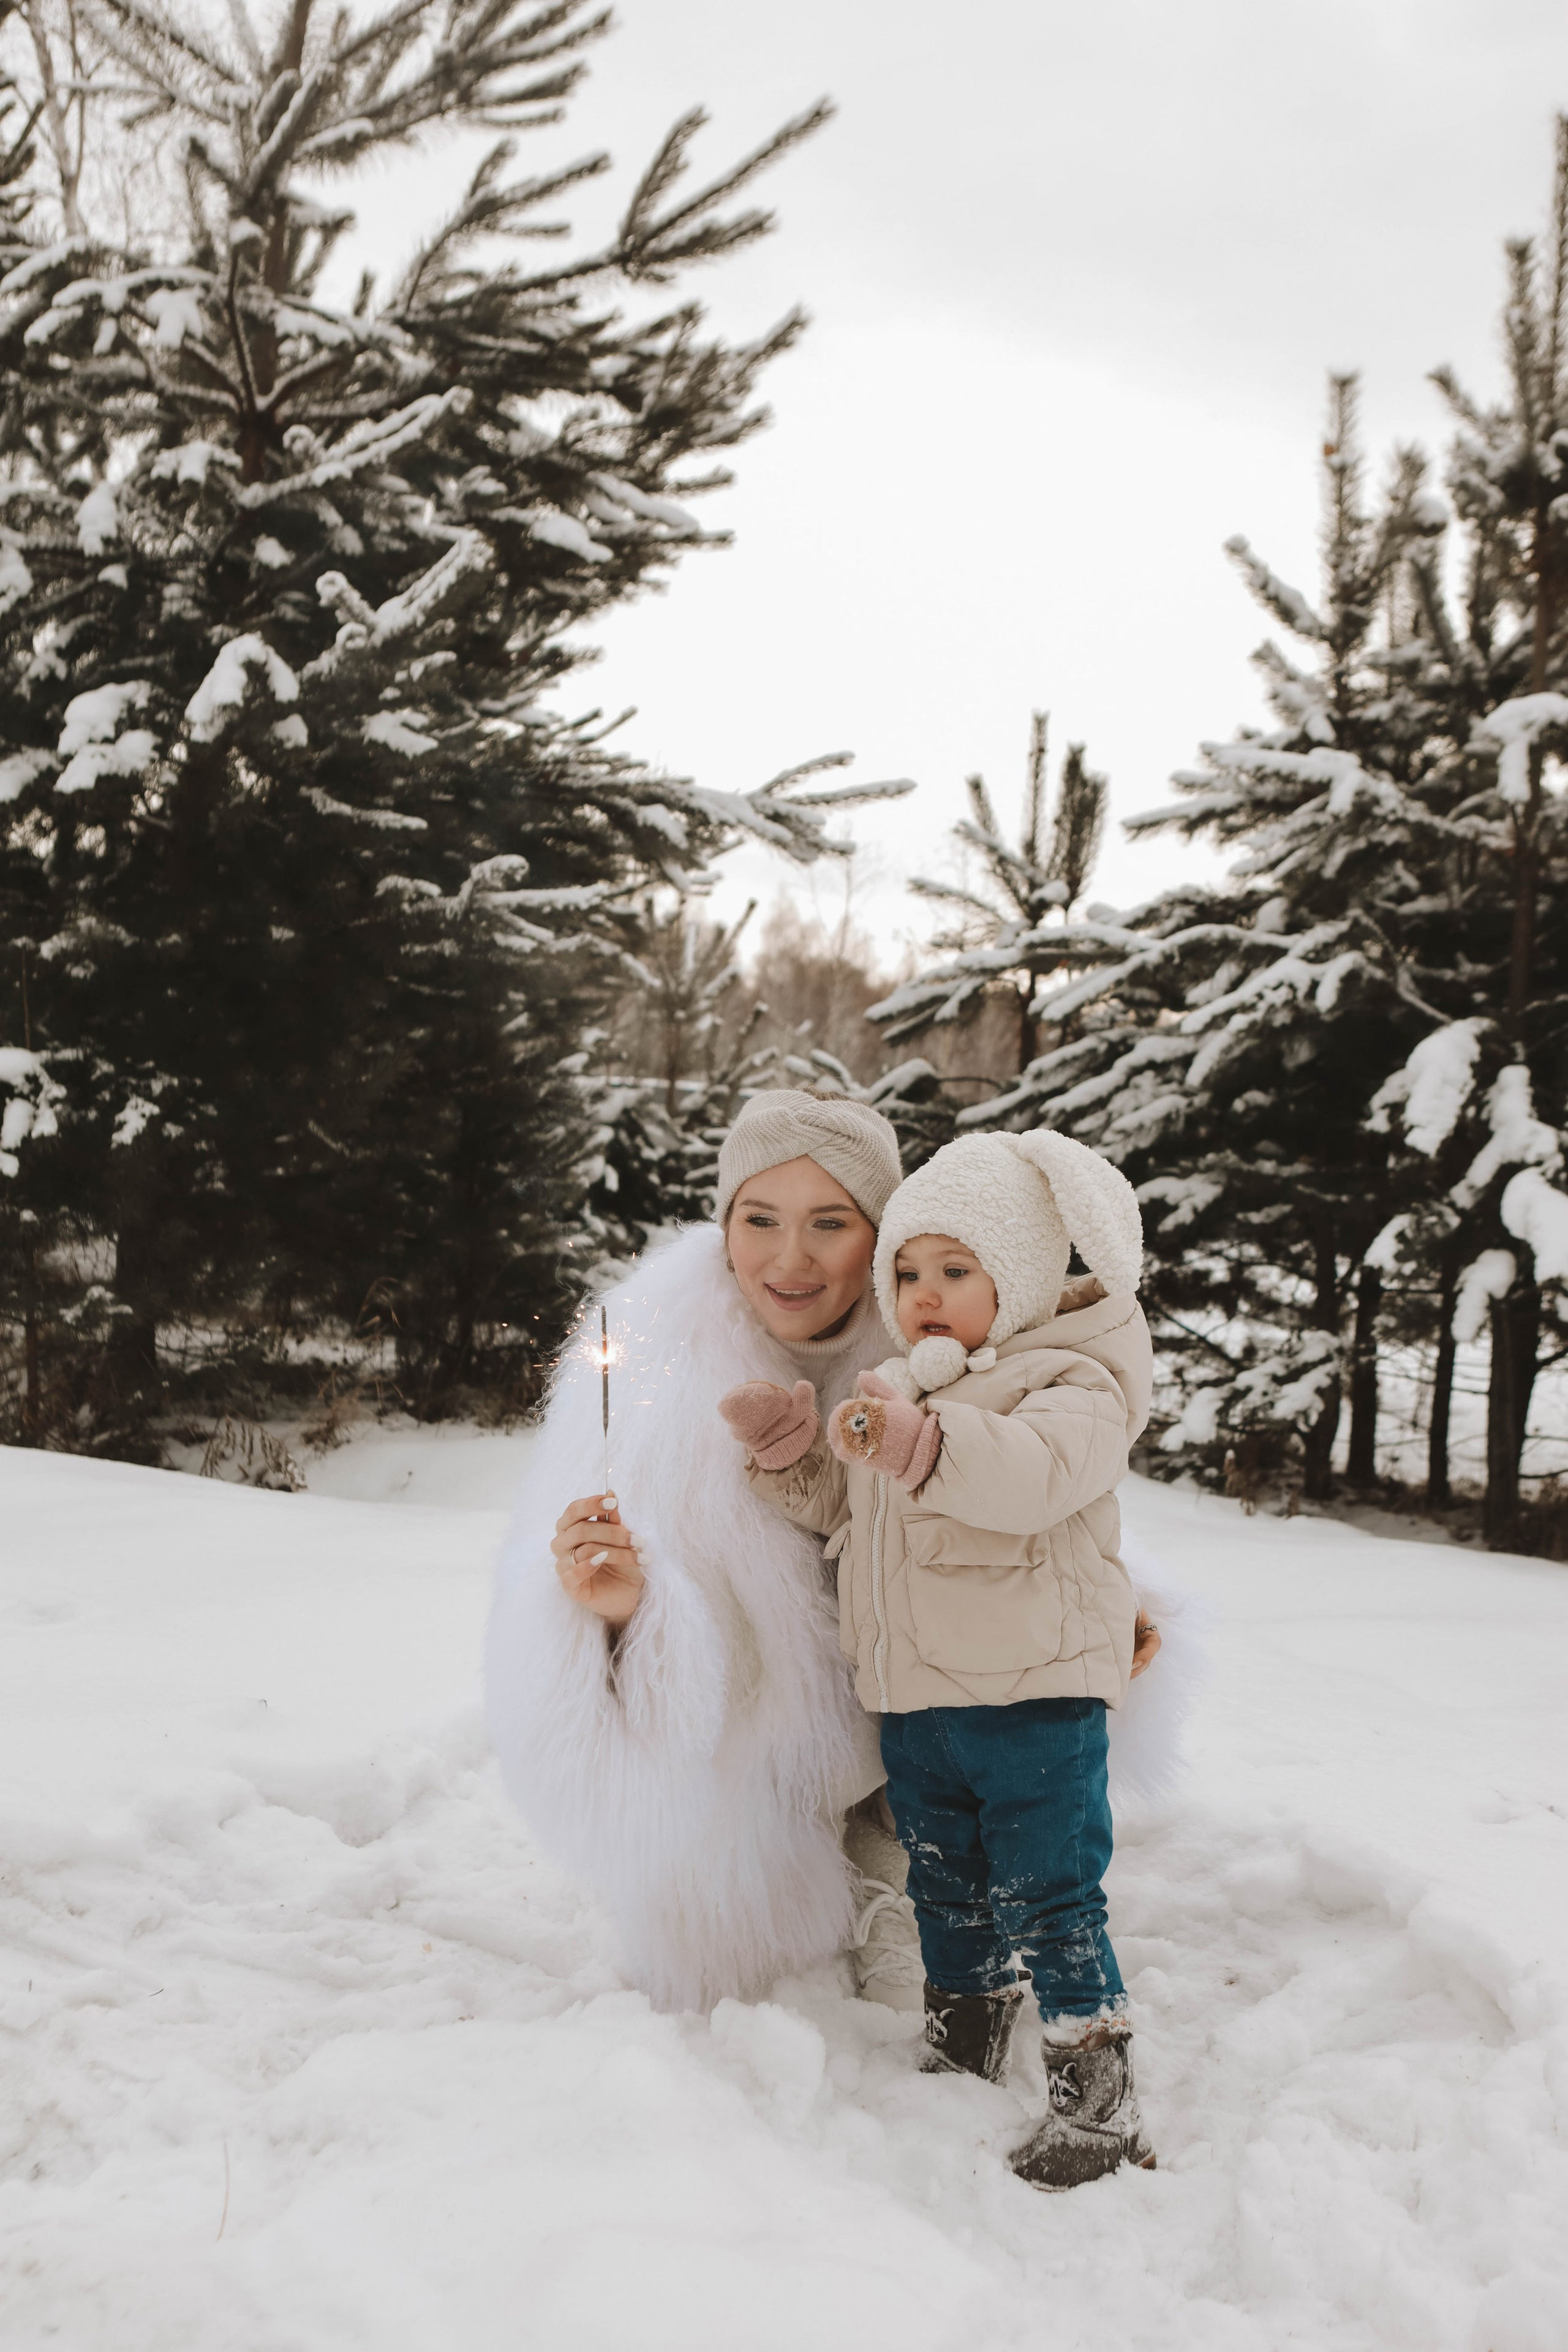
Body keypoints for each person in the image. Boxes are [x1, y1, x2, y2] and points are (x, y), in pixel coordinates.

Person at [718, 1126, 1163, 2188]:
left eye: (956, 1270)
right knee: (945, 1882)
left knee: (1053, 1892)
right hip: (917, 1703)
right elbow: (859, 1513)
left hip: (1034, 1700)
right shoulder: (906, 1386)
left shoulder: (1075, 1378)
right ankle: (966, 2027)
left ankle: (1095, 2095)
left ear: (1016, 1274)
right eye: (907, 1271)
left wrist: (917, 1442)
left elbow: (1034, 1477)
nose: (924, 1292)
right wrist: (795, 1458)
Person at [485, 1090, 926, 2013]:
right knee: (719, 1954)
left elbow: (1033, 1516)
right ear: (724, 1223)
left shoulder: (940, 1341)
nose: (788, 1259)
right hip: (746, 1728)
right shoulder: (651, 1355)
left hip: (915, 1709)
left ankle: (898, 1834)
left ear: (879, 1234)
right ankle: (786, 1839)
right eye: (759, 1219)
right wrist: (621, 1607)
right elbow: (592, 1591)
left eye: (830, 1223)